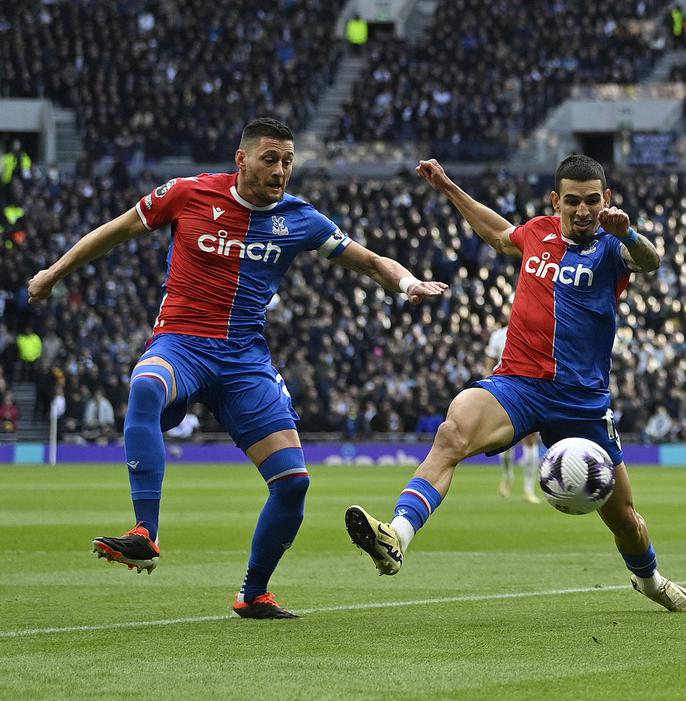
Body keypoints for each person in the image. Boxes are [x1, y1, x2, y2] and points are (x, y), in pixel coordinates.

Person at [27, 118, 447, 619]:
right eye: (270, 159)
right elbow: (113, 232)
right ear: (241, 159)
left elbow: (374, 262)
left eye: (288, 161)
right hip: (182, 344)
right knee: (145, 385)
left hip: (245, 361)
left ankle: (253, 594)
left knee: (294, 483)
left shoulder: (300, 219)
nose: (281, 170)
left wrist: (408, 285)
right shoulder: (187, 194)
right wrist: (52, 274)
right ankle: (145, 532)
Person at [344, 155, 686, 612]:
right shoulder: (537, 233)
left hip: (582, 404)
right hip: (519, 383)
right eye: (572, 201)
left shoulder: (613, 248)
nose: (583, 210)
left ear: (606, 200)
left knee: (625, 521)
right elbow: (497, 233)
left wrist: (627, 231)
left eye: (593, 200)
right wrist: (448, 186)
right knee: (452, 433)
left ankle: (650, 582)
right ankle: (397, 535)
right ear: (556, 201)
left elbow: (649, 261)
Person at [485, 323, 542, 504]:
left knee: (531, 439)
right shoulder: (498, 336)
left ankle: (528, 489)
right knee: (505, 440)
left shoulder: (534, 332)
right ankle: (507, 476)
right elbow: (489, 363)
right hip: (504, 390)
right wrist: (489, 386)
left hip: (530, 389)